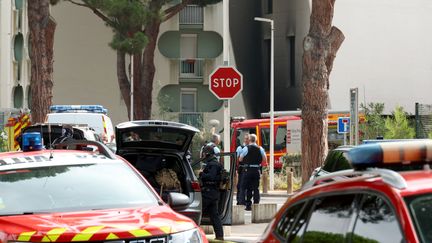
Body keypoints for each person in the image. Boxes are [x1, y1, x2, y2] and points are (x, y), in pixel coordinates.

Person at [199, 144, 224, 241]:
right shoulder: (216, 163)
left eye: (204, 153)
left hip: (208, 193)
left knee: (197, 213)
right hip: (213, 193)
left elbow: (211, 177)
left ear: (207, 154)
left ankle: (192, 234)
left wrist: (202, 174)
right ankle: (219, 236)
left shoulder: (212, 164)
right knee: (214, 216)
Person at [239, 134, 267, 211]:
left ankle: (247, 205)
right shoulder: (260, 148)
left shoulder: (246, 148)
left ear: (249, 140)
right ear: (256, 140)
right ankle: (256, 204)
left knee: (245, 187)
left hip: (247, 170)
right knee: (256, 188)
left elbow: (240, 159)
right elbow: (265, 159)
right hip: (256, 170)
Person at [236, 134, 250, 205]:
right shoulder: (240, 148)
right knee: (240, 185)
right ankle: (239, 200)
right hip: (242, 168)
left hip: (249, 168)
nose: (247, 140)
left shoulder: (251, 148)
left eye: (248, 139)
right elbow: (237, 158)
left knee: (248, 186)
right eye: (246, 139)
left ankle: (246, 201)